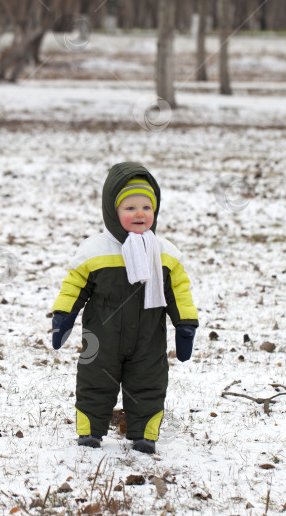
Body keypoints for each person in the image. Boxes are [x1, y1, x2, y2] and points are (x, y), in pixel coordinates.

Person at [51, 162, 198, 454]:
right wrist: (63, 316)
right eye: (130, 208)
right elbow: (74, 285)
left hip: (148, 338)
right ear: (112, 212)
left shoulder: (166, 253)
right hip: (101, 336)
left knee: (149, 382)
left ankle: (144, 434)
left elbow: (179, 291)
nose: (140, 213)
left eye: (146, 206)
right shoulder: (96, 250)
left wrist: (186, 324)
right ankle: (89, 432)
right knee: (95, 381)